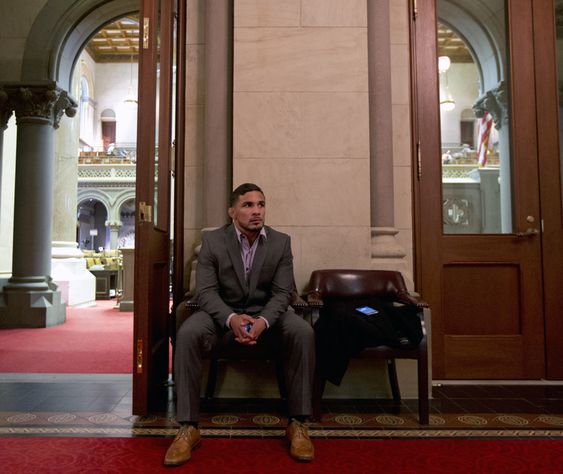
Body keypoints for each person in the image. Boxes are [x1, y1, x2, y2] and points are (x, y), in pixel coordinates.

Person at [165, 183, 316, 466]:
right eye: (248, 205)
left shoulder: (281, 242)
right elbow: (206, 291)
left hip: (267, 313)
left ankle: (298, 424)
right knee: (187, 332)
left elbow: (283, 293)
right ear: (232, 211)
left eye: (261, 204)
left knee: (303, 331)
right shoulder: (214, 242)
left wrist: (262, 321)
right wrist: (232, 319)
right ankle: (188, 427)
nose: (256, 211)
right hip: (221, 314)